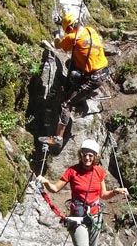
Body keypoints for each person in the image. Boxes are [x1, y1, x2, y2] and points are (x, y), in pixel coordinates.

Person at [37, 138, 128, 246]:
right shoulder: (72, 171)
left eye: (91, 155)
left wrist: (116, 191)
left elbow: (103, 194)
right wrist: (45, 182)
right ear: (81, 155)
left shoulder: (99, 172)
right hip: (77, 219)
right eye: (85, 155)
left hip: (94, 218)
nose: (87, 158)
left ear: (95, 157)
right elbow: (55, 189)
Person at [39, 13, 110, 148]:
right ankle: (81, 96)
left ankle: (58, 138)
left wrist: (57, 35)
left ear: (70, 29)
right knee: (71, 64)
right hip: (103, 70)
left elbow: (58, 45)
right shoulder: (91, 30)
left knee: (66, 103)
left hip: (94, 78)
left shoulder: (72, 37)